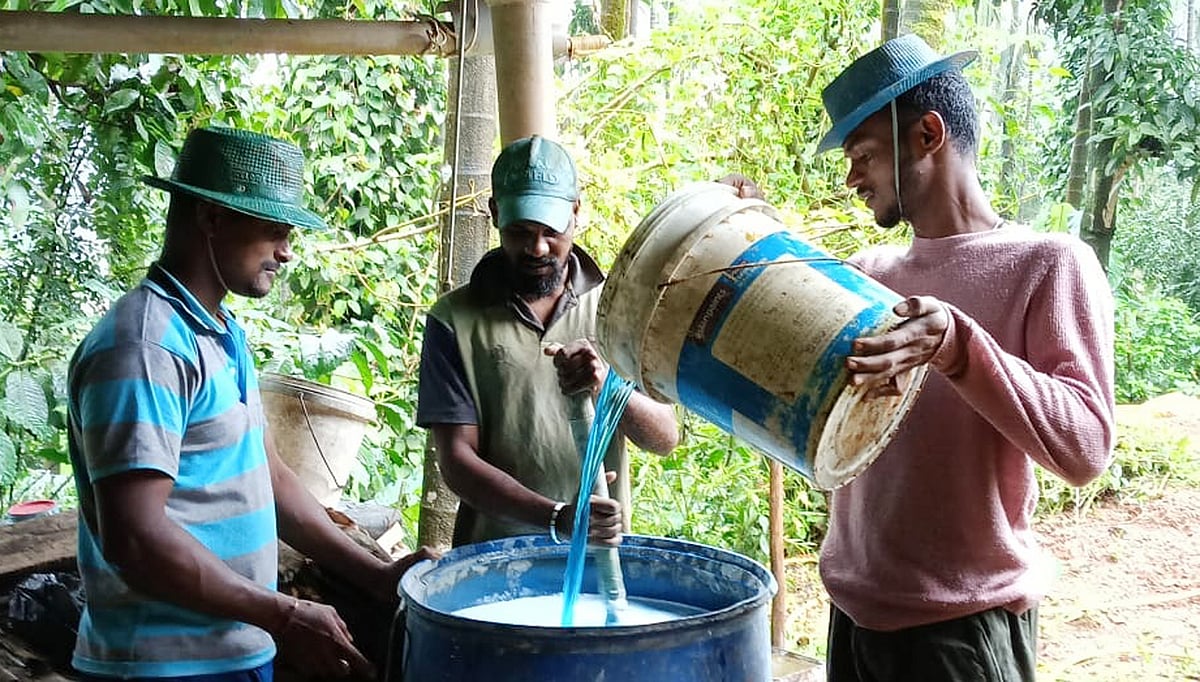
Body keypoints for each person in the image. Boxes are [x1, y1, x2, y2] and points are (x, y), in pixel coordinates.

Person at [66, 126, 436, 682]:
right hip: (160, 669)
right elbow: (136, 538)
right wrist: (283, 615)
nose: (286, 251)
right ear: (212, 218)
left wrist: (375, 577)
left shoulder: (221, 333)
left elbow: (273, 477)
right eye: (274, 231)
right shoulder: (144, 346)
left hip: (231, 655)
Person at [807, 35, 1116, 681]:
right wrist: (742, 230)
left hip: (961, 627)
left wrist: (958, 345)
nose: (851, 178)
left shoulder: (1046, 264)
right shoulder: (865, 274)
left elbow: (1085, 448)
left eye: (862, 155)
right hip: (852, 614)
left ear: (927, 134)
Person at [416, 135, 680, 548]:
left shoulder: (617, 308)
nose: (537, 247)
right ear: (495, 213)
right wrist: (556, 518)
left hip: (600, 559)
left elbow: (664, 437)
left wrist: (605, 385)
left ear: (576, 212)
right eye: (520, 232)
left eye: (551, 231)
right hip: (491, 563)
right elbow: (457, 462)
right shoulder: (453, 321)